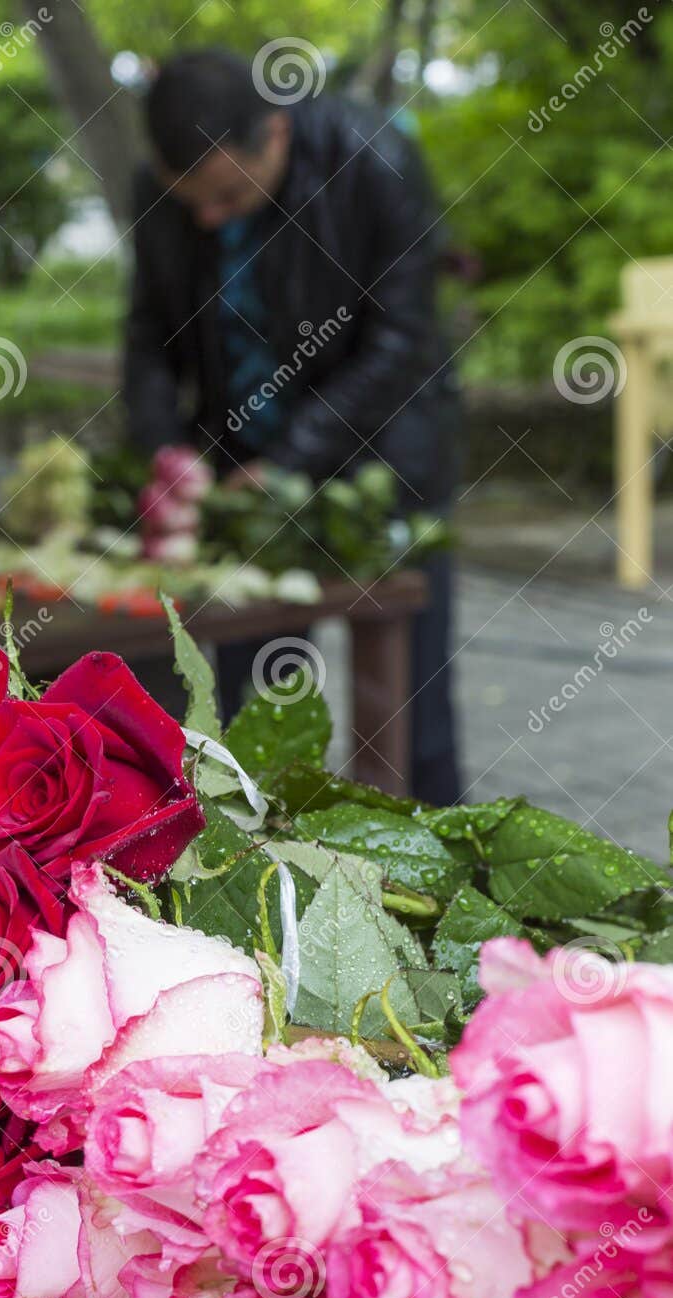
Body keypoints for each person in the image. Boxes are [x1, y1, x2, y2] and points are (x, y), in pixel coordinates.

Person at [124, 47, 462, 805]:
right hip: (242, 473)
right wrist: (166, 453)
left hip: (384, 470)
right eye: (190, 203)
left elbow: (403, 340)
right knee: (261, 710)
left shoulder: (373, 160)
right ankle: (266, 875)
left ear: (273, 134)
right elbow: (148, 335)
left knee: (411, 707)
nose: (206, 219)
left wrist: (293, 458)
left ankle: (444, 880)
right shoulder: (159, 188)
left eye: (224, 196)